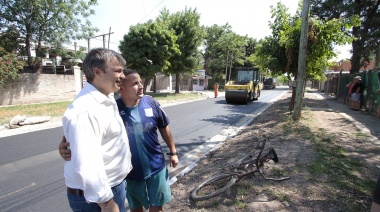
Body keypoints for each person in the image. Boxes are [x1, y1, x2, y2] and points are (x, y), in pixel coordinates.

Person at [60, 69, 179, 212]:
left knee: (157, 206)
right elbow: (74, 135)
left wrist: (173, 152)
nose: (141, 86)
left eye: (140, 82)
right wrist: (63, 146)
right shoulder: (113, 108)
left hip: (156, 166)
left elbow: (164, 127)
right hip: (131, 173)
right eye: (135, 83)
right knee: (136, 208)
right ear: (121, 89)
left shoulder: (151, 103)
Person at [62, 48, 132, 212]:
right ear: (97, 72)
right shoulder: (86, 110)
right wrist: (106, 203)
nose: (123, 76)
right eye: (118, 71)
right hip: (96, 199)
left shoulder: (105, 96)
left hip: (113, 187)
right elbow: (88, 164)